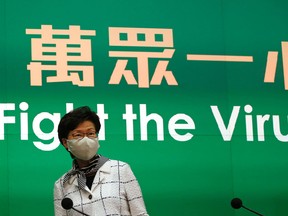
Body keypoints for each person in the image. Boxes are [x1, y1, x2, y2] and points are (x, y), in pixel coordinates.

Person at [54, 106, 149, 216]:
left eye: (91, 133)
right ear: (65, 142)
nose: (86, 139)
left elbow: (140, 214)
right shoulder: (62, 184)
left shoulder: (121, 170)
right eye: (78, 135)